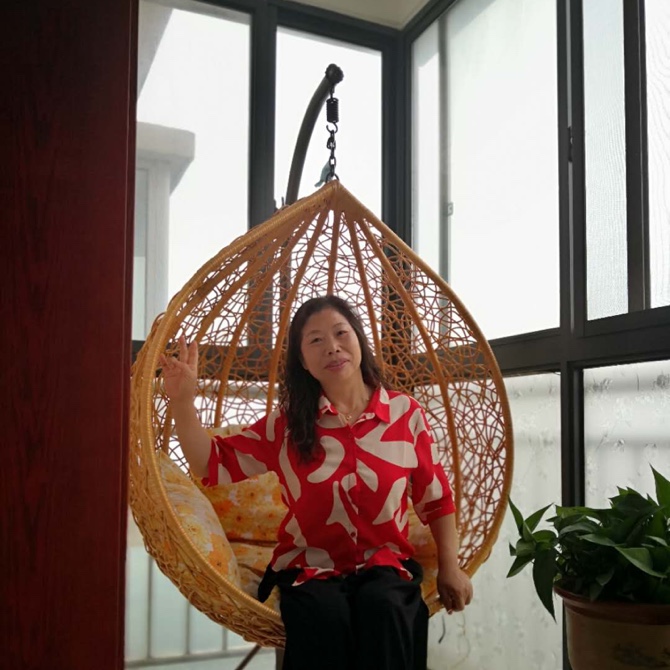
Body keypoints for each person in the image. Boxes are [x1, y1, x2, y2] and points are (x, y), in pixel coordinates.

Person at [160, 295, 473, 670]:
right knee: (324, 617)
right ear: (303, 362)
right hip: (309, 569)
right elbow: (210, 462)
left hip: (386, 565)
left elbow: (436, 499)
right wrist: (183, 402)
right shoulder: (288, 425)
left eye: (341, 333)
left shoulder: (406, 414)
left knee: (387, 607)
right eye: (316, 340)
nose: (332, 347)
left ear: (358, 339)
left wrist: (451, 567)